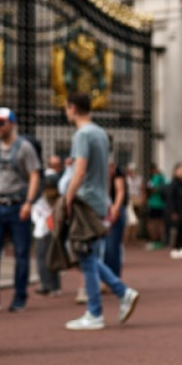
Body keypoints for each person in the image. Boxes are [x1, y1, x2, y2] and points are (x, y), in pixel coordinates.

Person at [58, 92, 140, 330]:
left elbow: (79, 171)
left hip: (84, 200)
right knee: (88, 255)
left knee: (85, 255)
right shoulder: (100, 133)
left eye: (66, 108)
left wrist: (68, 199)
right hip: (98, 200)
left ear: (72, 108)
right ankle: (120, 293)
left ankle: (97, 311)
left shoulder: (82, 134)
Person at [0, 107, 41, 313]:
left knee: (21, 254)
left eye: (1, 123)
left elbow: (34, 175)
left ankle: (20, 297)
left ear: (12, 124)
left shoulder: (24, 148)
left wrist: (29, 202)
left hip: (17, 205)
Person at [32, 174, 62, 296]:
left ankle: (51, 286)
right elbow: (36, 217)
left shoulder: (58, 201)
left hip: (51, 233)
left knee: (49, 259)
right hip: (42, 232)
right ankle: (48, 284)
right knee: (43, 259)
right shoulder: (40, 202)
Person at [105, 146, 128, 277]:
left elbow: (120, 190)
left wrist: (115, 208)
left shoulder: (112, 166)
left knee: (112, 247)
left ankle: (113, 279)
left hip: (112, 209)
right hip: (100, 209)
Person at [146, 163, 167, 250]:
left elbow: (153, 189)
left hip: (154, 203)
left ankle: (155, 241)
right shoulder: (163, 178)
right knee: (160, 223)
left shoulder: (155, 178)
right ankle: (159, 241)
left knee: (153, 223)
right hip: (162, 204)